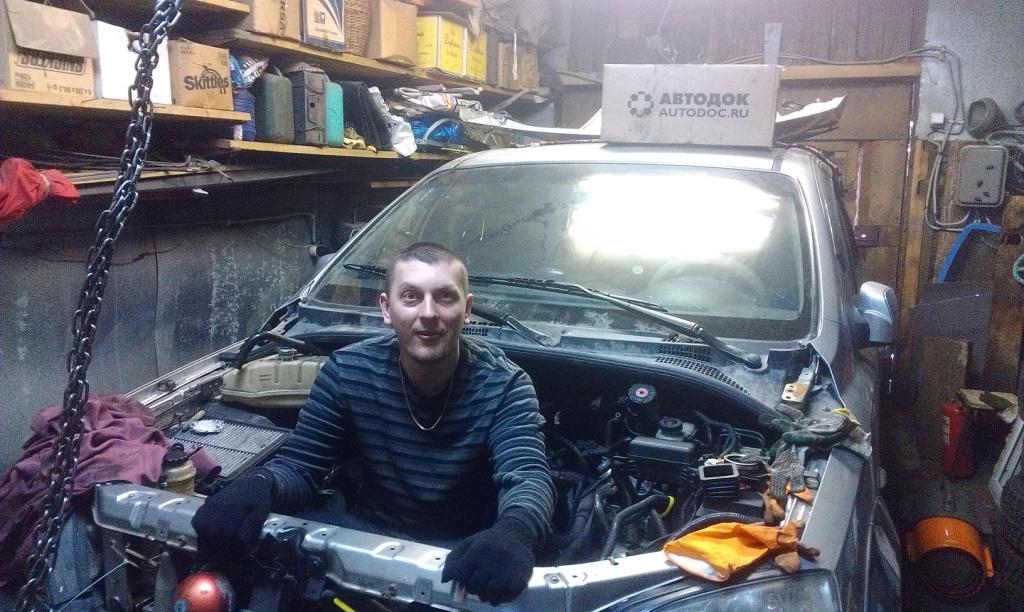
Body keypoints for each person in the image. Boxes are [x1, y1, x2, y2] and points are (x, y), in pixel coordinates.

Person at [193, 242, 555, 605]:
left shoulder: (505, 384)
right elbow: (302, 467)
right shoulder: (347, 371)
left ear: (467, 310)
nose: (428, 313)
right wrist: (259, 483)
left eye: (445, 297)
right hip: (364, 541)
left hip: (465, 556)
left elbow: (527, 477)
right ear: (386, 308)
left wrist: (515, 529)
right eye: (411, 296)